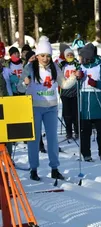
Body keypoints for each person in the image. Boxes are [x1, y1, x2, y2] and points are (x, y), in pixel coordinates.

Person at [17, 39, 78, 181]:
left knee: (52, 139)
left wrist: (74, 77)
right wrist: (25, 83)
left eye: (48, 56)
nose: (45, 59)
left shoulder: (55, 67)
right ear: (37, 55)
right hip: (34, 107)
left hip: (51, 107)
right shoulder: (30, 67)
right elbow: (19, 88)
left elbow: (64, 84)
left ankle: (54, 169)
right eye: (42, 55)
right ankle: (33, 169)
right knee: (34, 139)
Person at [78, 43, 101, 162]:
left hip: (98, 102)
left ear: (88, 57)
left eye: (82, 57)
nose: (80, 59)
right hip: (85, 102)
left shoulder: (100, 66)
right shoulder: (81, 67)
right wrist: (78, 79)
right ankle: (86, 153)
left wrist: (96, 83)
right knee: (85, 131)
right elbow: (76, 86)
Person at [59, 48, 80, 140]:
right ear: (65, 56)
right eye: (68, 55)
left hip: (75, 92)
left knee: (75, 113)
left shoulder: (77, 64)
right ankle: (68, 132)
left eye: (71, 55)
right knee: (67, 114)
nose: (70, 56)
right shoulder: (62, 65)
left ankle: (77, 131)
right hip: (64, 92)